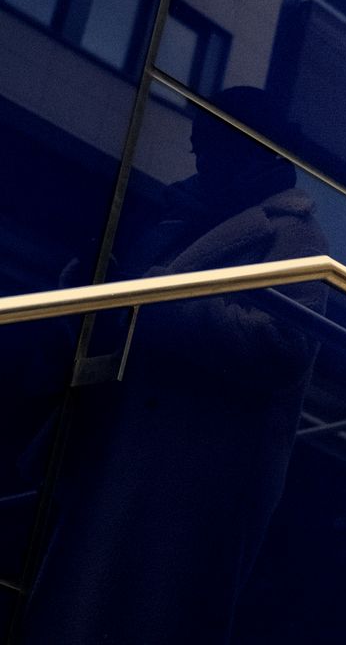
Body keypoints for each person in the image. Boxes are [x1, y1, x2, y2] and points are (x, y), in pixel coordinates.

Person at [20, 88, 328, 644]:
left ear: (245, 148)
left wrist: (159, 303)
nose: (199, 158)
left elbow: (284, 343)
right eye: (197, 145)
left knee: (133, 611)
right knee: (83, 605)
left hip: (186, 476)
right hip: (121, 451)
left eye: (209, 144)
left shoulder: (290, 232)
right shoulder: (179, 218)